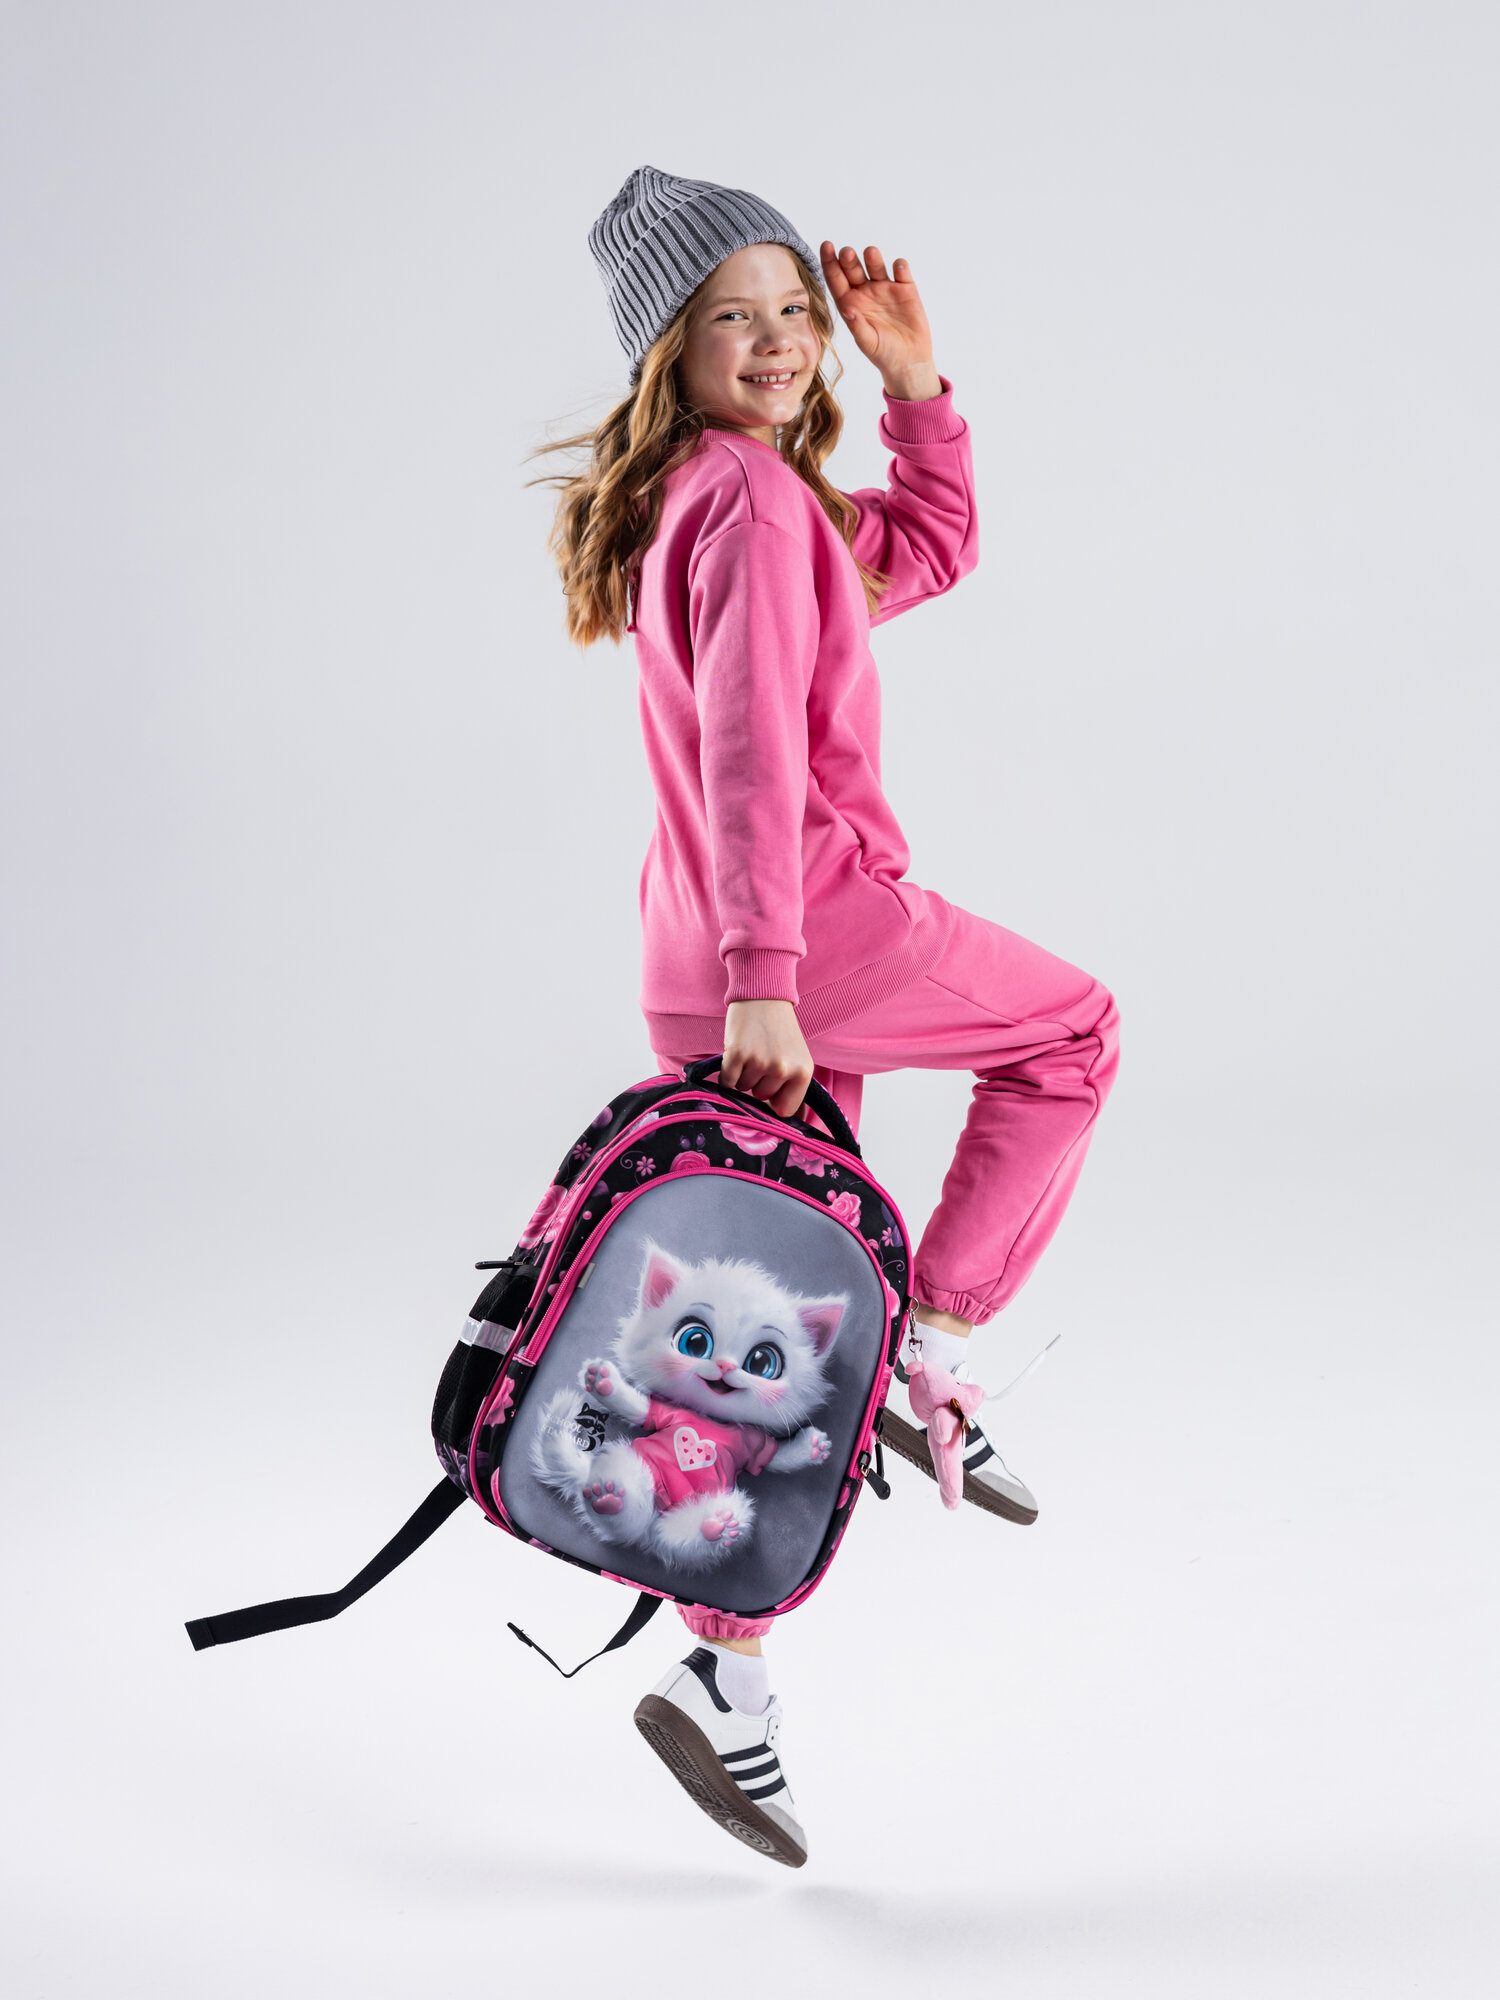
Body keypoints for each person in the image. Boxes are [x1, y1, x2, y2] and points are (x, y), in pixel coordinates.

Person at [538, 166, 1119, 1865]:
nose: (782, 340)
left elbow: (925, 549)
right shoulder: (742, 500)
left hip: (716, 943)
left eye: (796, 309)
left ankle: (724, 1678)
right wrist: (769, 980)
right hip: (800, 934)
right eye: (736, 316)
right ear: (669, 347)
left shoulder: (730, 495)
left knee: (780, 1316)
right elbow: (743, 746)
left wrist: (917, 382)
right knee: (1072, 1033)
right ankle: (937, 1343)